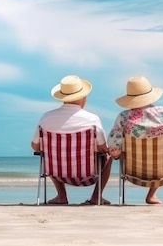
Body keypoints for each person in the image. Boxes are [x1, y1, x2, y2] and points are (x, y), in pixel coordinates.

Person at [31, 74, 112, 205]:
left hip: (57, 172)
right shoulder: (92, 119)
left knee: (47, 153)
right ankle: (96, 197)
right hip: (88, 174)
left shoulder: (46, 118)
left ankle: (61, 196)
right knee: (108, 157)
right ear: (82, 98)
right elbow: (102, 147)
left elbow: (35, 146)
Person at [107, 75, 163, 204]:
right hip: (162, 170)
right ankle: (151, 195)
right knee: (162, 155)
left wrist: (116, 154)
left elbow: (113, 145)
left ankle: (147, 197)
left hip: (133, 171)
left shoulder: (124, 117)